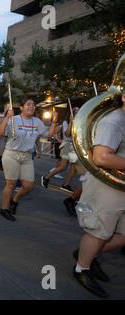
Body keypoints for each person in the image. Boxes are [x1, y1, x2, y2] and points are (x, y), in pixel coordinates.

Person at [73, 90, 125, 298]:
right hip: (107, 186)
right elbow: (101, 157)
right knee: (99, 232)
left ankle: (87, 254)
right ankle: (82, 268)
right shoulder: (114, 121)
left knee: (122, 236)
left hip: (121, 185)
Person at [0, 98, 57, 222]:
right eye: (28, 104)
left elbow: (48, 135)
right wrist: (7, 118)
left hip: (27, 156)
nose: (31, 107)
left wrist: (54, 122)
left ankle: (14, 201)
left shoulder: (37, 121)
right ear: (22, 107)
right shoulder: (14, 119)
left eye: (33, 105)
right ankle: (4, 208)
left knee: (28, 185)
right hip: (11, 155)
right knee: (11, 184)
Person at [41, 109, 79, 192]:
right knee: (63, 166)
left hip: (75, 146)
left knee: (74, 168)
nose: (77, 113)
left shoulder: (79, 122)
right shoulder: (66, 122)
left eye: (78, 112)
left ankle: (66, 184)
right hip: (67, 145)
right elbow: (67, 134)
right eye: (75, 112)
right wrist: (72, 121)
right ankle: (46, 177)